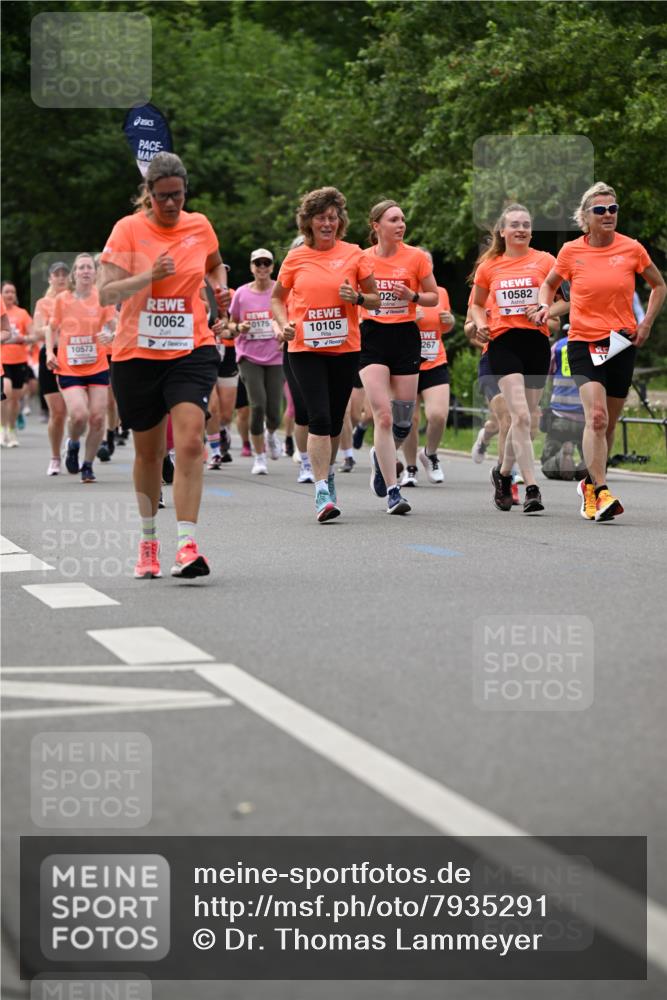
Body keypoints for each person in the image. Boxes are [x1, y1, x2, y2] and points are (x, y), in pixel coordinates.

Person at [98, 151, 229, 578]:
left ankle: (187, 545)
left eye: (177, 195)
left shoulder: (200, 225)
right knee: (149, 453)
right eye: (162, 197)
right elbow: (105, 294)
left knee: (191, 441)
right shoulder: (128, 230)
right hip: (137, 353)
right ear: (148, 195)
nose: (171, 204)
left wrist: (220, 291)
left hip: (191, 348)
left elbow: (214, 267)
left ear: (185, 191)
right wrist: (148, 276)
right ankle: (149, 541)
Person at [537, 181, 666, 520]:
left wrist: (647, 322)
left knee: (608, 426)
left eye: (613, 209)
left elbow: (659, 285)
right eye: (600, 210)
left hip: (621, 343)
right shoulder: (571, 251)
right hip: (582, 342)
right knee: (596, 417)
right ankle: (603, 491)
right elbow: (550, 284)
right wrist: (542, 306)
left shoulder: (632, 248)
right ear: (586, 217)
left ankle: (590, 487)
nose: (608, 215)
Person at [272, 186, 379, 522]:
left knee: (334, 421)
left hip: (344, 348)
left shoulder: (355, 254)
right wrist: (283, 324)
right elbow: (277, 298)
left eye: (333, 217)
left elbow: (375, 299)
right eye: (321, 217)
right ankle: (321, 491)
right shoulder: (296, 257)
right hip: (304, 348)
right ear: (309, 222)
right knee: (318, 417)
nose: (328, 223)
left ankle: (328, 476)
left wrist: (358, 298)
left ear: (340, 221)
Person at [471, 203, 556, 513]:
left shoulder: (546, 261)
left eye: (526, 224)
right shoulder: (489, 265)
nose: (521, 229)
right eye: (515, 224)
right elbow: (477, 306)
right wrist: (481, 324)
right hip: (503, 343)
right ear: (503, 231)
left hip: (536, 343)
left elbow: (568, 302)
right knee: (519, 417)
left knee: (526, 420)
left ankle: (503, 474)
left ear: (531, 230)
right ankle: (532, 487)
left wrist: (547, 309)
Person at [358, 201, 438, 513]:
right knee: (384, 415)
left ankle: (381, 456)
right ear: (376, 225)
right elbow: (351, 294)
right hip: (374, 335)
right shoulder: (361, 259)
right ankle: (394, 490)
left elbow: (433, 297)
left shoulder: (416, 257)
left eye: (402, 219)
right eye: (393, 219)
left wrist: (413, 296)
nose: (401, 224)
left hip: (406, 335)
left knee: (405, 420)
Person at [45, 254, 115, 483]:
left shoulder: (102, 298)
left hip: (97, 366)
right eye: (80, 268)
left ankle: (88, 464)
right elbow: (51, 328)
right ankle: (73, 443)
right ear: (75, 274)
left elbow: (115, 325)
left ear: (95, 273)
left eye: (89, 267)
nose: (85, 271)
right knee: (79, 414)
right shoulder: (62, 300)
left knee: (97, 418)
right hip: (69, 367)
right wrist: (49, 352)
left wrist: (110, 334)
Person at [399, 251, 454, 486]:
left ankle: (429, 453)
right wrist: (409, 318)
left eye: (428, 264)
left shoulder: (440, 292)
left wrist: (449, 322)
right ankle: (410, 468)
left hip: (434, 360)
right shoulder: (401, 291)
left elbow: (444, 325)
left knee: (438, 415)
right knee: (409, 418)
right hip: (407, 362)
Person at [229, 249, 284, 475]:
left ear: (272, 267)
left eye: (266, 264)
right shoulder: (241, 294)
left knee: (274, 410)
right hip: (248, 356)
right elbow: (230, 324)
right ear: (251, 267)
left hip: (275, 355)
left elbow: (288, 317)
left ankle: (271, 434)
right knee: (257, 404)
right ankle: (259, 456)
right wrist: (239, 328)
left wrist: (283, 332)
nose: (262, 268)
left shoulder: (279, 291)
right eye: (257, 264)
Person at [33, 262, 70, 473]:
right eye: (57, 274)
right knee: (57, 412)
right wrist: (54, 326)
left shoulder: (77, 302)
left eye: (65, 274)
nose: (61, 277)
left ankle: (71, 442)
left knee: (76, 411)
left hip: (73, 355)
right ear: (50, 279)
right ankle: (55, 457)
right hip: (50, 355)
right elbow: (38, 331)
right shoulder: (43, 303)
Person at [539, 331, 587, 480]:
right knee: (593, 454)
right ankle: (586, 466)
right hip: (587, 419)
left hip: (560, 416)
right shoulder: (594, 346)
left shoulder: (558, 346)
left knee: (546, 463)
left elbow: (546, 377)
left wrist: (542, 407)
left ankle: (561, 457)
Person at [0, 282, 35, 447]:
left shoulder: (22, 314)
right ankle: (2, 429)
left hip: (19, 360)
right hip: (2, 360)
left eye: (12, 292)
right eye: (6, 292)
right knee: (4, 393)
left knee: (15, 399)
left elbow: (34, 335)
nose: (10, 295)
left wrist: (23, 338)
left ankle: (12, 429)